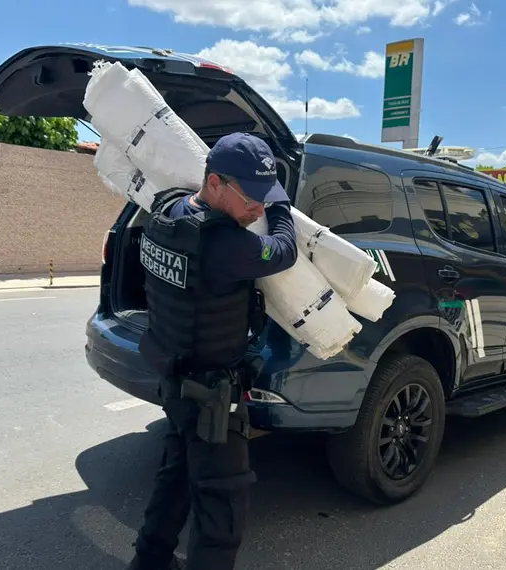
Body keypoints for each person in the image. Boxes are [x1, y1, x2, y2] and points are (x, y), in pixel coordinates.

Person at [128, 132, 298, 570]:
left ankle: (149, 561)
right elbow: (284, 250)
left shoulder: (169, 213)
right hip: (210, 398)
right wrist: (281, 211)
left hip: (174, 378)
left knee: (176, 478)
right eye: (252, 198)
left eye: (266, 198)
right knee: (223, 504)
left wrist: (264, 199)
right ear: (216, 183)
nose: (257, 207)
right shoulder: (224, 245)